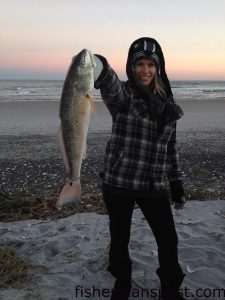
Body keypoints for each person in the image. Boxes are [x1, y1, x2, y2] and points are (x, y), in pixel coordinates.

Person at [92, 37, 186, 300]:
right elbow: (109, 83)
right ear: (131, 68)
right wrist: (98, 63)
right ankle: (122, 283)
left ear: (158, 68)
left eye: (150, 65)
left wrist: (176, 182)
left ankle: (170, 287)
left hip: (153, 184)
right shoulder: (124, 96)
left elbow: (171, 147)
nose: (144, 70)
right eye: (139, 65)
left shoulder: (167, 104)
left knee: (168, 239)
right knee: (120, 238)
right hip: (118, 182)